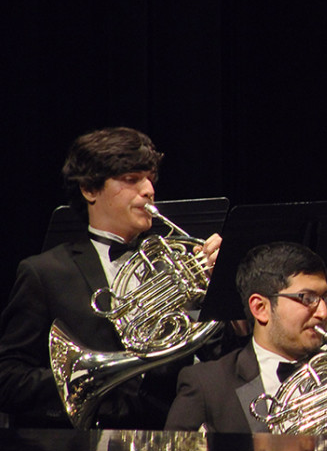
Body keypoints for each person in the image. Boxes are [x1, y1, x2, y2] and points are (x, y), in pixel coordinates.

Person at [0, 127, 221, 429]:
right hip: (85, 449)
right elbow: (8, 377)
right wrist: (78, 379)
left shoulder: (177, 265)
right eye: (131, 180)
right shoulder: (45, 273)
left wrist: (218, 291)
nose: (148, 190)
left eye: (150, 178)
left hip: (169, 438)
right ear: (90, 190)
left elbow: (220, 359)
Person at [164, 241, 327, 437]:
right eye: (307, 298)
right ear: (260, 307)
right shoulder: (207, 384)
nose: (323, 312)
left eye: (325, 299)